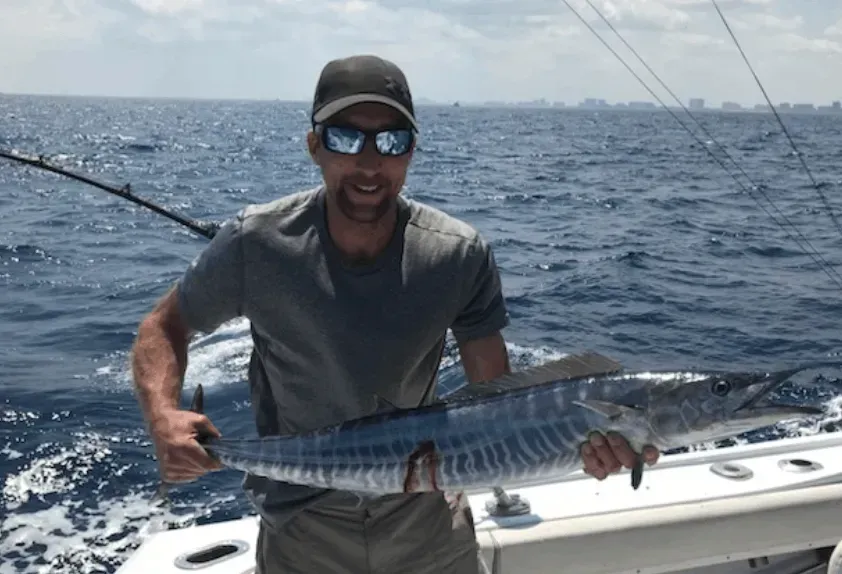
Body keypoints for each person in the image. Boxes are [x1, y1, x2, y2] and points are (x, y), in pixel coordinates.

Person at [130, 54, 660, 574]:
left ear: (411, 153)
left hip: (426, 519)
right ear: (314, 145)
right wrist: (163, 415)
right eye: (344, 137)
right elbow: (164, 326)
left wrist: (580, 445)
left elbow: (499, 397)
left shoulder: (456, 254)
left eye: (391, 141)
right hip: (303, 528)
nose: (368, 163)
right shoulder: (257, 242)